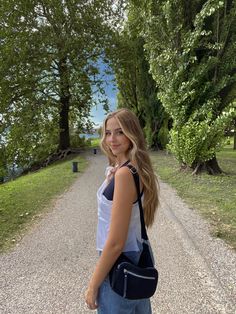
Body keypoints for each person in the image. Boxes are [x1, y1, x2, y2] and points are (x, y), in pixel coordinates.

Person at [85, 108, 159, 313]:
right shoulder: (133, 168)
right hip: (136, 256)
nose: (112, 139)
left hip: (119, 262)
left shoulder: (125, 174)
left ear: (132, 133)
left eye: (120, 132)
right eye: (108, 133)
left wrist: (93, 285)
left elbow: (116, 243)